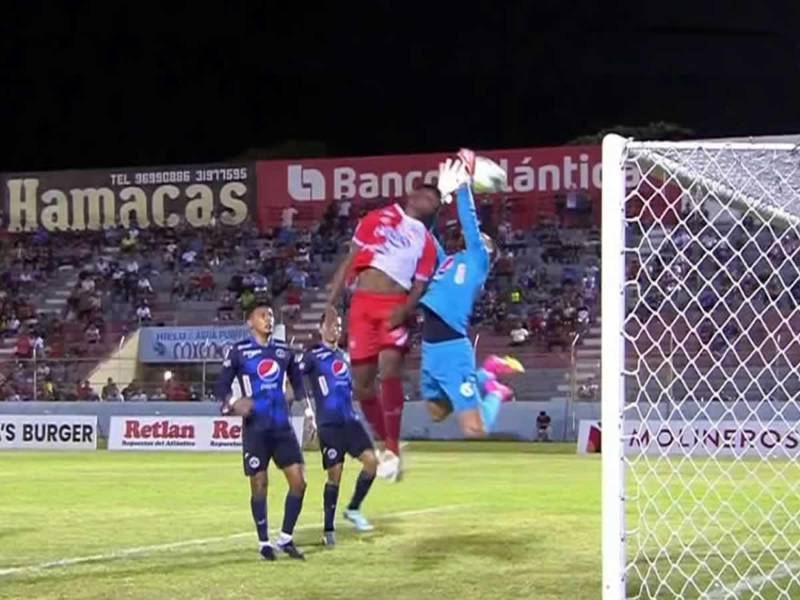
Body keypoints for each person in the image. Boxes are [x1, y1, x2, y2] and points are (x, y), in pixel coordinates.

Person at [323, 174, 450, 481]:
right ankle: (385, 442)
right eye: (427, 196)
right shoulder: (375, 219)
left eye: (435, 202)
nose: (429, 203)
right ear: (413, 194)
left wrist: (405, 310)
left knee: (389, 368)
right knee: (362, 384)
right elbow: (350, 261)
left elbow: (420, 286)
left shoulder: (426, 241)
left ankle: (392, 447)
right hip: (362, 305)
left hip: (394, 305)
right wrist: (330, 305)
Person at [419, 150, 524, 438]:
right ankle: (486, 374)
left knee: (474, 430)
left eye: (484, 239)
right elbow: (426, 238)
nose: (479, 239)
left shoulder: (479, 260)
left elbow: (469, 223)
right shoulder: (450, 260)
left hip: (453, 348)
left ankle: (495, 392)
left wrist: (463, 186)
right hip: (430, 346)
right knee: (436, 412)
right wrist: (439, 199)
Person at [216, 303, 308, 561]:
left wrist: (295, 394)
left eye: (270, 315)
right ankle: (264, 543)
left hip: (281, 426)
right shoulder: (239, 352)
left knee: (299, 483)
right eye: (262, 315)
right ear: (250, 322)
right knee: (259, 484)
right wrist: (233, 404)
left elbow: (297, 381)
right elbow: (221, 386)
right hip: (256, 428)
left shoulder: (283, 351)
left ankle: (286, 538)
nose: (268, 319)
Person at [299, 313, 378, 547]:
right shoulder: (312, 356)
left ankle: (353, 508)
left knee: (372, 462)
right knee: (335, 475)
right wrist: (307, 410)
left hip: (350, 421)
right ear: (321, 328)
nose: (335, 330)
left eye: (339, 326)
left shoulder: (344, 357)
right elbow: (297, 378)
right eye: (331, 326)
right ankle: (329, 530)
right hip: (329, 424)